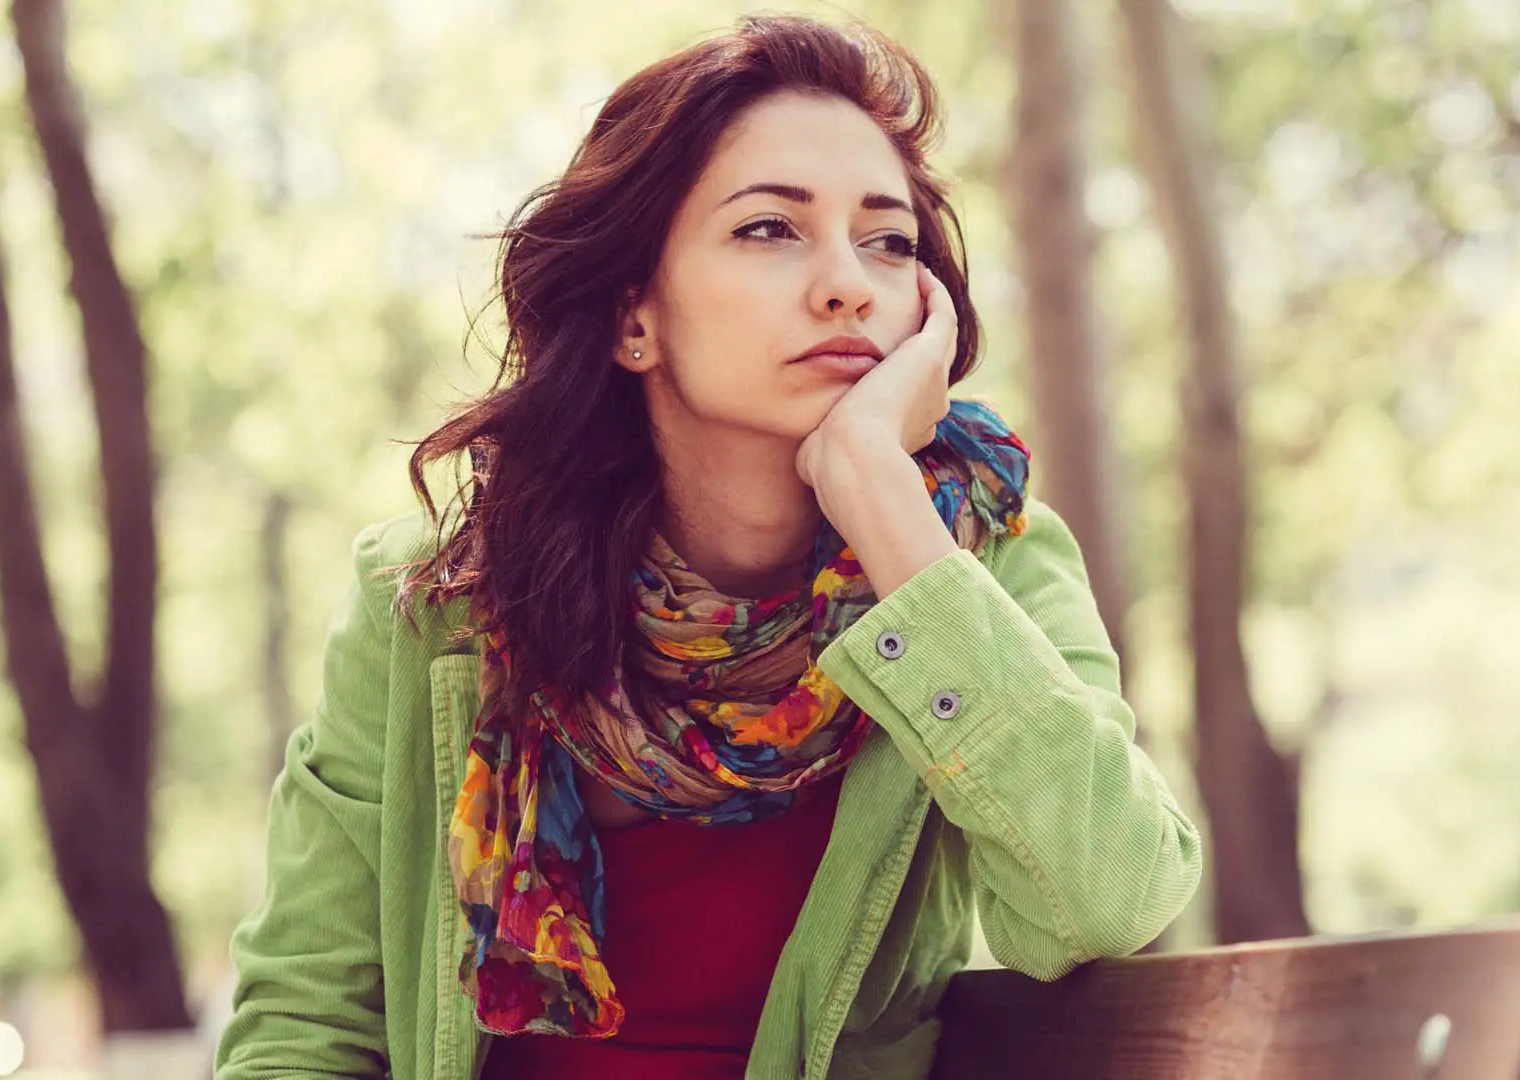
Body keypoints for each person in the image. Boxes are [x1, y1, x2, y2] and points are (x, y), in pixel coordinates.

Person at [214, 13, 1201, 1080]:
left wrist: (879, 489)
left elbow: (1107, 899)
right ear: (634, 318)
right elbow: (303, 1027)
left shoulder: (975, 561)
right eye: (770, 229)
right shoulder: (443, 597)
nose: (847, 283)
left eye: (889, 241)